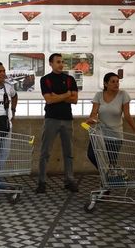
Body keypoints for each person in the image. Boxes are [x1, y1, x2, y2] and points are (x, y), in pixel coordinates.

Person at [86, 72, 135, 169]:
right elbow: (94, 112)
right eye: (113, 82)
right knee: (91, 155)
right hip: (100, 134)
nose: (116, 84)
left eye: (118, 82)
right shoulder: (99, 95)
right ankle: (107, 175)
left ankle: (108, 179)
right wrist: (92, 119)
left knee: (111, 162)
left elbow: (127, 116)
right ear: (106, 84)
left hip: (115, 135)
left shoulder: (123, 95)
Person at [37, 53, 78, 194]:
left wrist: (57, 96)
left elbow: (75, 99)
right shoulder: (45, 80)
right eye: (58, 62)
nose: (61, 64)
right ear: (51, 63)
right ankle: (42, 181)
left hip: (67, 119)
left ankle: (69, 180)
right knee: (45, 152)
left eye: (62, 62)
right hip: (51, 119)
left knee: (69, 152)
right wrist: (66, 95)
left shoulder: (70, 79)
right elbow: (49, 100)